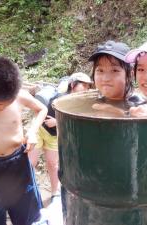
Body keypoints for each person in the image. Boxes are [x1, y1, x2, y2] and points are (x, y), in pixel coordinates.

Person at [0, 56, 48, 225]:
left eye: (8, 103)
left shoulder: (19, 95)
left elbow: (41, 108)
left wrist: (33, 131)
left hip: (17, 162)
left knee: (29, 214)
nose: (2, 107)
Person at [29, 72, 93, 201]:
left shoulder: (82, 103)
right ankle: (28, 194)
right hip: (39, 129)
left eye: (88, 86)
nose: (86, 89)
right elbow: (43, 111)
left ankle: (54, 193)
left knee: (53, 164)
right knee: (31, 163)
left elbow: (76, 125)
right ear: (73, 85)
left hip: (53, 135)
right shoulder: (60, 98)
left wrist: (56, 123)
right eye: (83, 85)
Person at [88, 40, 144, 115]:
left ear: (130, 75)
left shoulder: (138, 102)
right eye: (100, 70)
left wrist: (115, 111)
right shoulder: (96, 99)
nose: (105, 79)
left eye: (114, 70)